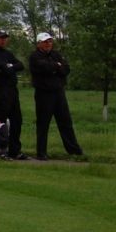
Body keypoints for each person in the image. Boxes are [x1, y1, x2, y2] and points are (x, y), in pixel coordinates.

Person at [28, 32, 83, 160]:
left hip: (58, 92)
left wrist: (55, 67)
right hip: (44, 93)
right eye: (45, 42)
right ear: (39, 43)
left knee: (65, 122)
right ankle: (41, 153)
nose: (48, 44)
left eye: (50, 41)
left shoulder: (56, 54)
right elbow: (42, 68)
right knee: (43, 123)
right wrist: (56, 66)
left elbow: (66, 69)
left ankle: (74, 151)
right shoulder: (34, 56)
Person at [0, 28, 30, 160]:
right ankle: (1, 150)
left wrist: (10, 66)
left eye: (5, 38)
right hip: (1, 91)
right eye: (1, 38)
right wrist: (10, 67)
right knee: (1, 121)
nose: (3, 40)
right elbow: (6, 70)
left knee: (17, 120)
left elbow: (21, 65)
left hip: (12, 90)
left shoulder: (8, 53)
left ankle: (14, 150)